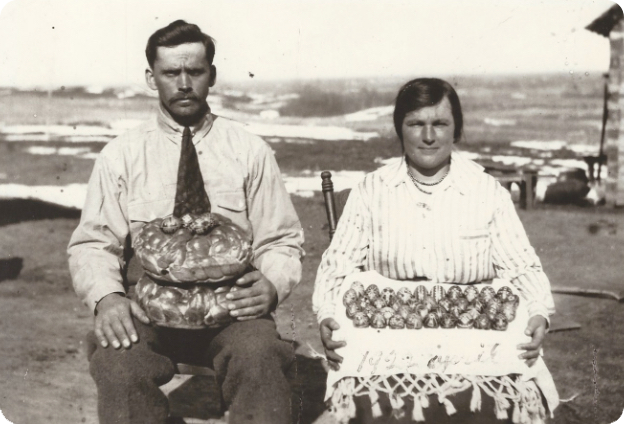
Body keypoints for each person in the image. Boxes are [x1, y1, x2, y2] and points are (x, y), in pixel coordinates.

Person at [68, 20, 304, 424]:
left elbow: (281, 239)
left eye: (194, 71)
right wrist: (107, 298)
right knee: (118, 364)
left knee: (261, 356)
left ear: (211, 75)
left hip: (233, 310)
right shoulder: (121, 155)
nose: (183, 83)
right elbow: (93, 243)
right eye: (170, 72)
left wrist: (272, 285)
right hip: (147, 310)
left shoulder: (249, 150)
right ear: (150, 77)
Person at [313, 78, 558, 423]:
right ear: (400, 129)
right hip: (388, 335)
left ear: (456, 129)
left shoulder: (486, 191)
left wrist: (539, 311)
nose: (428, 136)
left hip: (474, 335)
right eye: (416, 124)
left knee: (501, 400)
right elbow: (337, 266)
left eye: (440, 123)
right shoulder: (372, 190)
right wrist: (326, 311)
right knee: (374, 403)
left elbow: (522, 267)